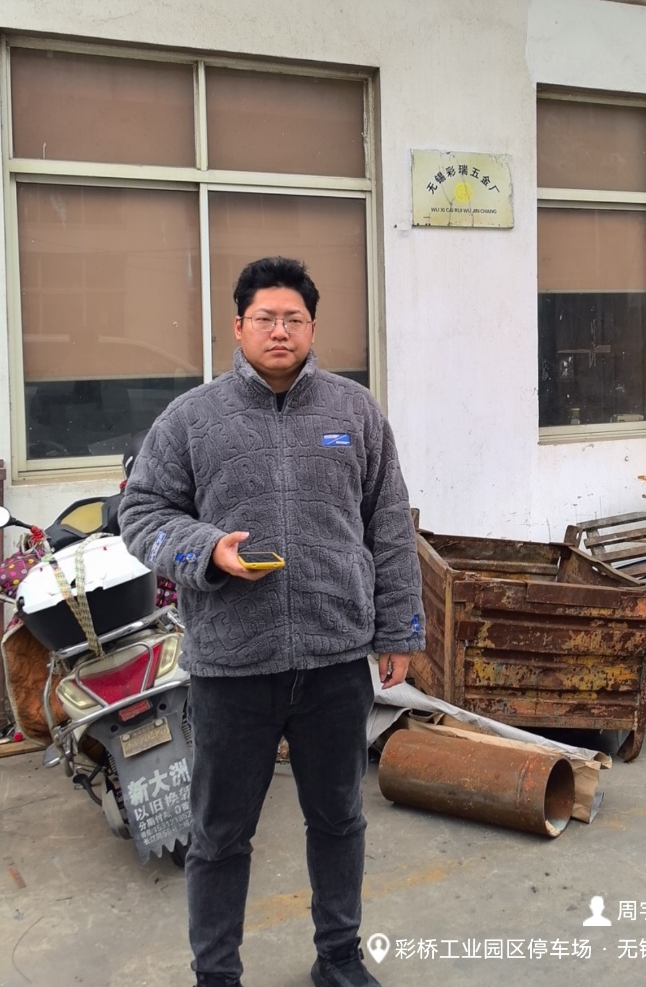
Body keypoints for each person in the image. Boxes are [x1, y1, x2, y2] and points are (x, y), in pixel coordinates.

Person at [119, 256, 425, 987]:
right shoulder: (193, 418)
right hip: (232, 664)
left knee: (339, 819)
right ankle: (216, 973)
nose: (279, 330)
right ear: (238, 326)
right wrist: (205, 550)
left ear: (313, 328)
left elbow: (388, 523)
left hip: (334, 659)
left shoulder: (354, 412)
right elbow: (141, 514)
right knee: (221, 833)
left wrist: (400, 630)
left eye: (294, 318)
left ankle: (339, 958)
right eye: (265, 318)